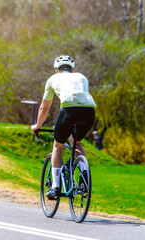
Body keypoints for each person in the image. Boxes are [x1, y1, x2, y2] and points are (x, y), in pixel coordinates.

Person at [31, 55, 96, 199]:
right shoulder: (82, 77)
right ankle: (84, 178)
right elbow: (81, 99)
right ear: (72, 70)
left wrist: (37, 126)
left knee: (57, 146)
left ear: (56, 70)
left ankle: (55, 187)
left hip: (69, 110)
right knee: (76, 142)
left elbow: (44, 108)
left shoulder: (52, 79)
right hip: (89, 111)